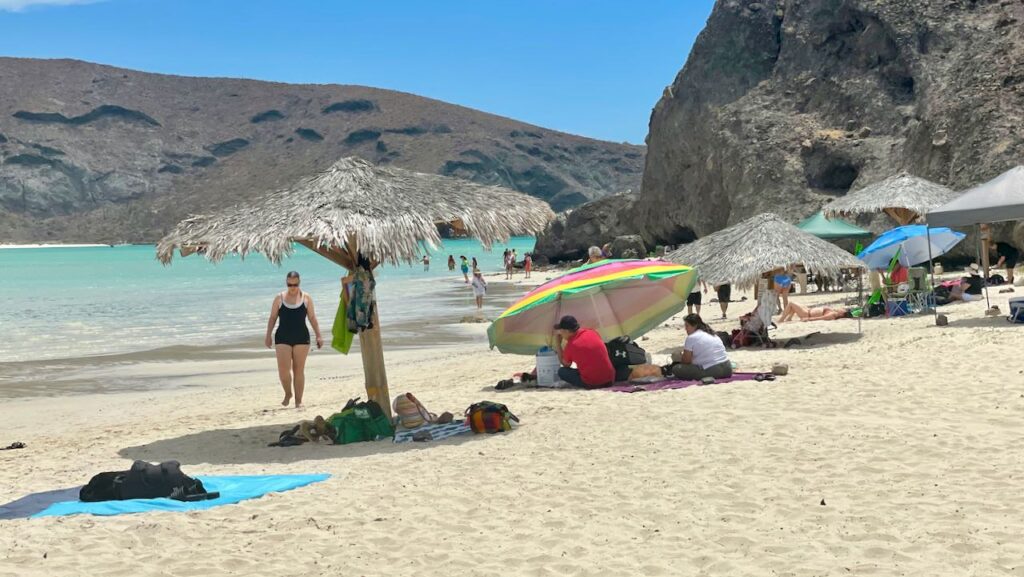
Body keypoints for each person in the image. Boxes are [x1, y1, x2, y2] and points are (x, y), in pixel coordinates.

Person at [265, 271, 322, 408]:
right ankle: (288, 393)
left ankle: (298, 401)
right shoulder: (279, 298)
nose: (292, 287)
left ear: (299, 283)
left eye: (295, 284)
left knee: (298, 370)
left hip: (301, 337)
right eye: (289, 284)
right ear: (286, 283)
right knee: (283, 370)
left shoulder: (306, 298)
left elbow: (312, 318)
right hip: (282, 337)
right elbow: (272, 318)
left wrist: (318, 335)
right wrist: (268, 335)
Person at [552, 315, 615, 389]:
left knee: (562, 371)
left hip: (592, 383)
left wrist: (558, 344)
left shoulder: (571, 345)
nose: (561, 334)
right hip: (610, 380)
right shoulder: (592, 332)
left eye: (561, 331)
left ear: (567, 331)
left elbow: (566, 364)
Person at [671, 314, 733, 380]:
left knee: (676, 368)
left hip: (713, 370)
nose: (685, 329)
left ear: (695, 325)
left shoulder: (691, 337)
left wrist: (679, 357)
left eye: (687, 326)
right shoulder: (713, 334)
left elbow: (686, 361)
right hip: (728, 368)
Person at [778, 301, 851, 322]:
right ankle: (789, 318)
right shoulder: (834, 311)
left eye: (843, 309)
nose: (841, 308)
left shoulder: (833, 315)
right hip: (808, 311)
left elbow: (821, 318)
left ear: (842, 314)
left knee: (791, 303)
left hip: (806, 314)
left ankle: (781, 319)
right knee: (795, 306)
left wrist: (808, 319)